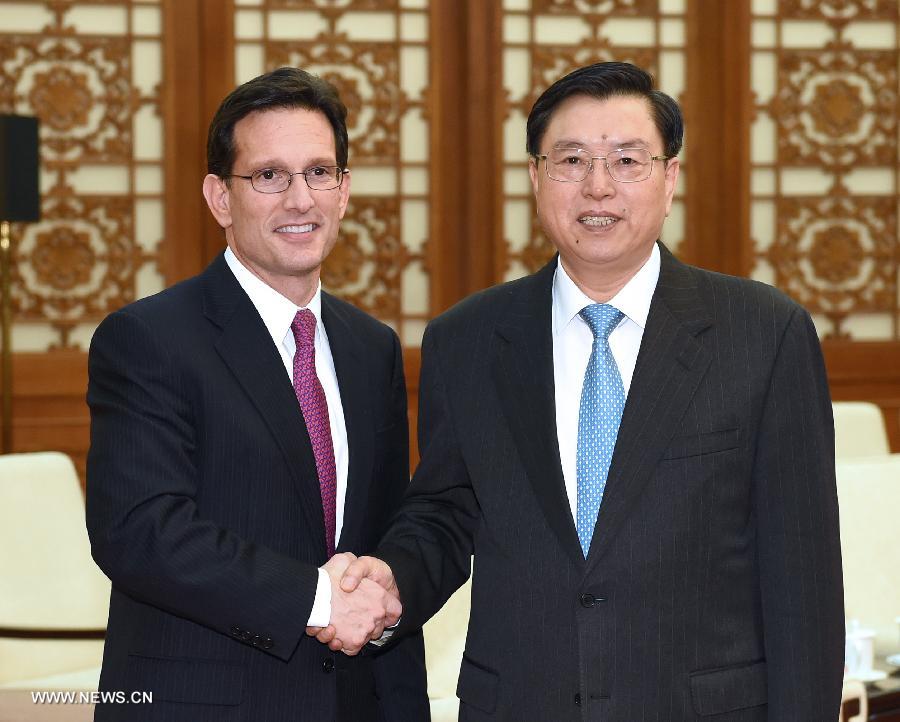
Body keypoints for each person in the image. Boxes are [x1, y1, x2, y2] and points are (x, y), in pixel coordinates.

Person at [324, 62, 844, 720]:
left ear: (670, 177)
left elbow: (804, 582)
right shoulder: (468, 340)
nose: (598, 186)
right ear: (536, 178)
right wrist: (391, 579)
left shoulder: (764, 335)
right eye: (571, 159)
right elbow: (445, 515)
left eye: (627, 159)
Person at [86, 67, 429, 722]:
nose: (300, 199)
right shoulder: (148, 339)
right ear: (220, 197)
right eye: (269, 176)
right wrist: (318, 599)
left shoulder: (371, 347)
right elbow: (141, 532)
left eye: (319, 172)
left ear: (345, 191)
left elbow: (381, 539)